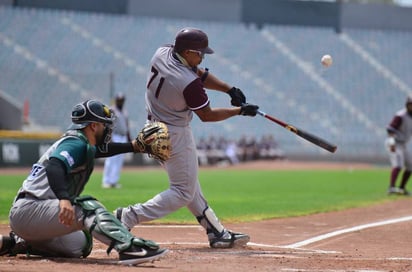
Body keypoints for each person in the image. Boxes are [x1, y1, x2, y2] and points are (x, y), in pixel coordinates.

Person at [115, 27, 259, 248]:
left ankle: (216, 232)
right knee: (183, 191)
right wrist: (239, 111)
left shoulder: (162, 51)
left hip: (153, 128)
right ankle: (128, 216)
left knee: (188, 185)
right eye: (200, 52)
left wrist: (229, 89)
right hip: (174, 134)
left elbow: (198, 72)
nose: (202, 57)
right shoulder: (187, 83)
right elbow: (207, 115)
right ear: (189, 51)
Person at [0, 99, 169, 265]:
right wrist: (64, 199)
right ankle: (129, 248)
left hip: (37, 214)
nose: (108, 129)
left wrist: (133, 146)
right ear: (93, 126)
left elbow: (102, 151)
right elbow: (55, 166)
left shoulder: (80, 142)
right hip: (30, 208)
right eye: (104, 124)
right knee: (86, 208)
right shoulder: (75, 142)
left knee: (80, 244)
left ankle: (17, 242)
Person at [102, 92, 131, 188]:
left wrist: (129, 138)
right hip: (115, 135)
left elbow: (127, 126)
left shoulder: (125, 111)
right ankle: (106, 181)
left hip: (123, 136)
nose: (120, 102)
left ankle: (114, 181)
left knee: (119, 160)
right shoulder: (112, 110)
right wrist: (109, 137)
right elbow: (108, 124)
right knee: (111, 159)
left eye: (122, 100)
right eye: (119, 100)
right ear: (116, 100)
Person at [385, 96, 412, 196]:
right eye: (410, 105)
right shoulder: (401, 115)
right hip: (395, 142)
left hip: (403, 143)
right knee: (398, 165)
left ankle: (401, 188)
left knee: (410, 165)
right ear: (407, 105)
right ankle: (391, 187)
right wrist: (392, 143)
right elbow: (390, 130)